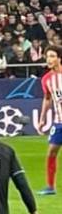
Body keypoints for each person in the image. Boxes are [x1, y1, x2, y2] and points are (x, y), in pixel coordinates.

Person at [37, 47, 62, 196]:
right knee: (52, 152)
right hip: (59, 121)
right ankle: (50, 186)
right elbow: (47, 99)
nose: (49, 59)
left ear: (59, 58)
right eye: (47, 56)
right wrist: (42, 119)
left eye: (52, 56)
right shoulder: (46, 79)